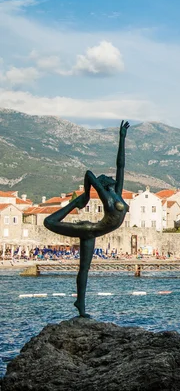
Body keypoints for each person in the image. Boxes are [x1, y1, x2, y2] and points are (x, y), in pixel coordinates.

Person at [44, 120, 130, 318]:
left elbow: (121, 165)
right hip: (88, 229)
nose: (111, 177)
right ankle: (73, 204)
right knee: (49, 223)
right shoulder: (106, 195)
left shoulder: (116, 193)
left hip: (94, 231)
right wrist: (87, 195)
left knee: (85, 269)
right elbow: (89, 174)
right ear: (104, 183)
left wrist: (122, 137)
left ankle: (80, 305)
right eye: (106, 177)